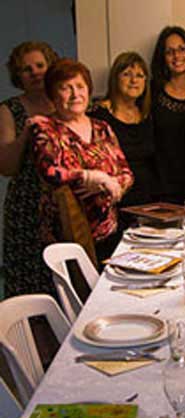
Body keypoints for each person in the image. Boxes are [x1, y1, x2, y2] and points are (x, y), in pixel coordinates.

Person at [30, 58, 134, 262]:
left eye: (80, 86)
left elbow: (126, 173)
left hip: (108, 233)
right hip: (67, 237)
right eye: (66, 88)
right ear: (53, 95)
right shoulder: (45, 128)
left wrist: (110, 185)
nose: (75, 94)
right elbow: (49, 171)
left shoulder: (102, 128)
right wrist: (91, 177)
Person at [0, 41, 58, 298]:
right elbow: (7, 167)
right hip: (26, 206)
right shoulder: (9, 109)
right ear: (18, 77)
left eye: (40, 65)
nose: (35, 72)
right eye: (26, 69)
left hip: (63, 204)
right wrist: (27, 132)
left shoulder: (66, 101)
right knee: (27, 283)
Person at [89, 52, 156, 222]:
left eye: (140, 76)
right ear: (115, 78)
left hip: (148, 203)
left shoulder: (147, 114)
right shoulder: (99, 115)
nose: (134, 81)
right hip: (114, 201)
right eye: (127, 74)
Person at [151, 26, 185, 204]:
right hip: (162, 188)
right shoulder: (152, 92)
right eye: (170, 52)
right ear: (163, 58)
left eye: (183, 49)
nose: (177, 57)